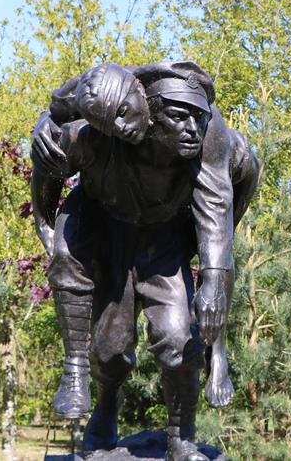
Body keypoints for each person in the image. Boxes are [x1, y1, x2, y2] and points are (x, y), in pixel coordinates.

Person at [32, 61, 259, 459]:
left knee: (178, 339)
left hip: (163, 237)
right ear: (151, 113)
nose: (192, 128)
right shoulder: (101, 125)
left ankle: (181, 436)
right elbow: (50, 147)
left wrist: (212, 277)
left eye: (199, 118)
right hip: (109, 229)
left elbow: (216, 212)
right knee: (109, 350)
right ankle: (102, 406)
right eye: (178, 117)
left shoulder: (210, 137)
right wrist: (42, 132)